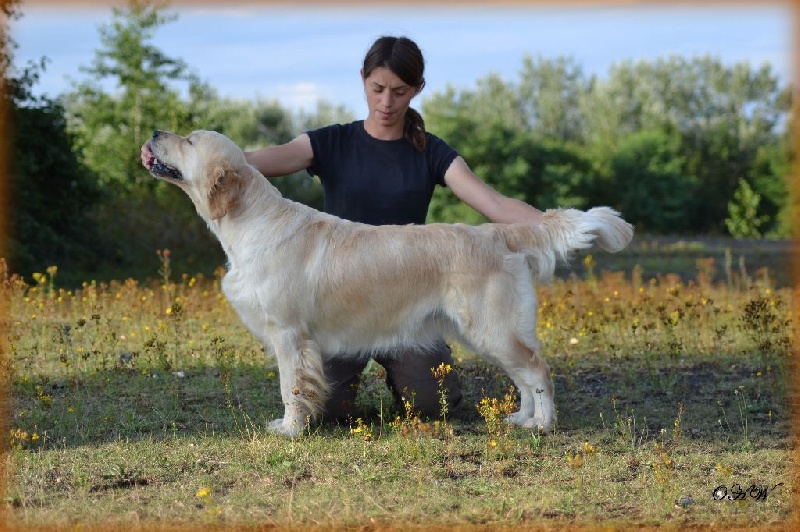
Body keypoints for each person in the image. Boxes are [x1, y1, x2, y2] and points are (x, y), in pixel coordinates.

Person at [243, 35, 544, 422]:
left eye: (400, 92)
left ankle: (406, 379)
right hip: (341, 308)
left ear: (417, 89)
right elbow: (250, 161)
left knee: (433, 405)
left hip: (408, 304)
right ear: (362, 79)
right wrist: (193, 159)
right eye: (378, 89)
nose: (386, 102)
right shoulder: (330, 142)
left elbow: (495, 205)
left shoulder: (431, 151)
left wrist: (556, 226)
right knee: (321, 412)